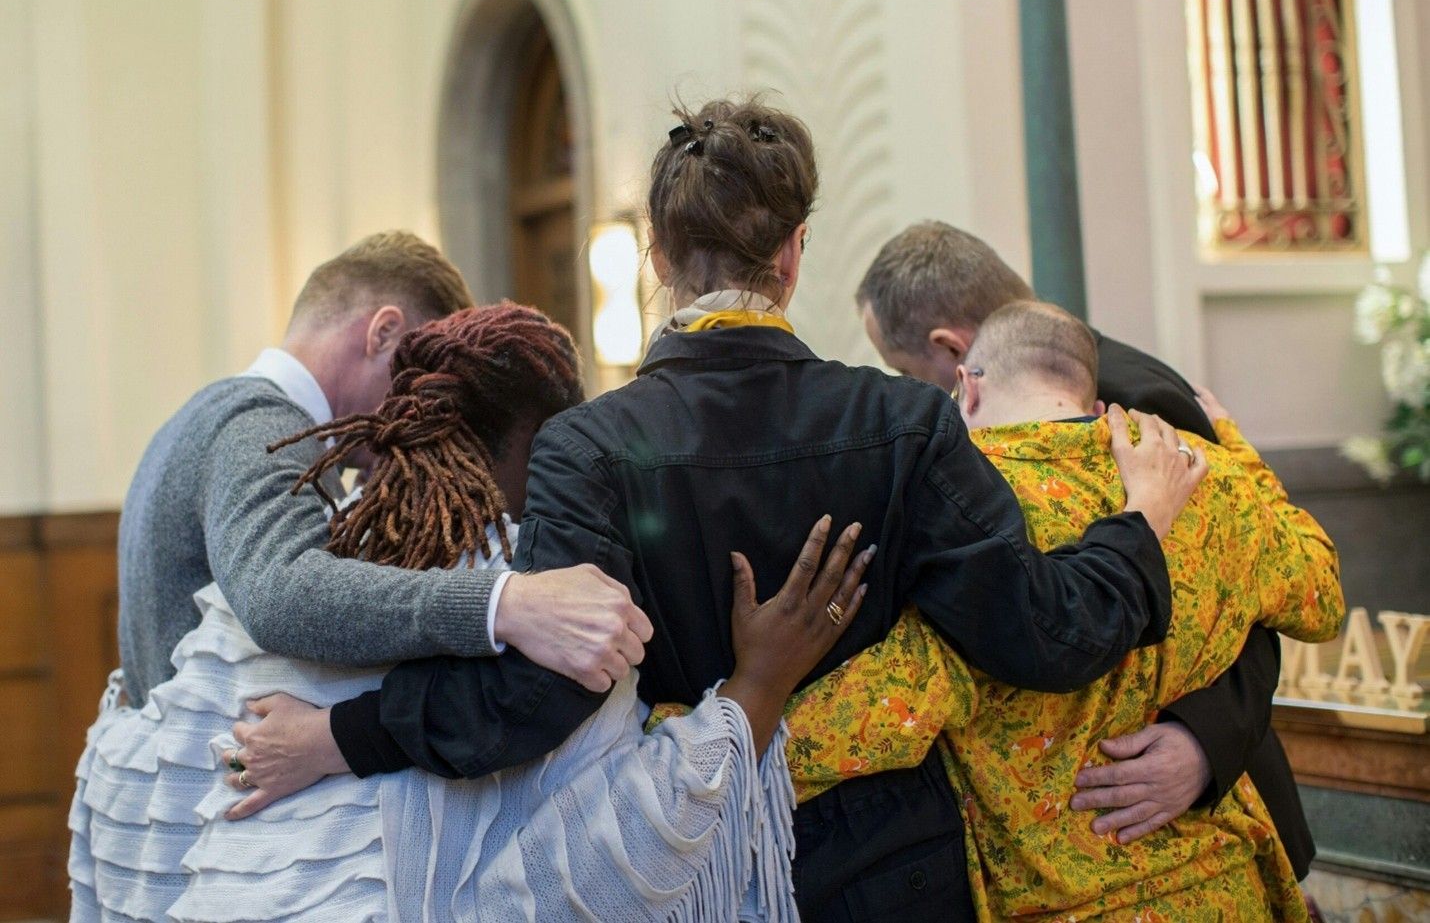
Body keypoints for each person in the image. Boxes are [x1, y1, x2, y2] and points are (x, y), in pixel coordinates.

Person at [230, 97, 1205, 921]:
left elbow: (540, 695)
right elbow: (1039, 634)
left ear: (657, 255)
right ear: (791, 254)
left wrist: (340, 735)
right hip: (896, 857)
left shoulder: (589, 444)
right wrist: (1140, 521)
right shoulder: (903, 421)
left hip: (702, 860)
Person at [71, 302, 868, 922]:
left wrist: (331, 740)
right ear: (546, 446)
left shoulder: (270, 593)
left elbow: (139, 789)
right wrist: (756, 689)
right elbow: (609, 856)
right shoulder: (546, 601)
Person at [779, 301, 1344, 920]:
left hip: (1070, 905)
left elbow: (879, 712)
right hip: (1226, 888)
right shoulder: (1205, 480)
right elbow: (1323, 597)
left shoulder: (969, 519)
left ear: (965, 389)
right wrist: (1235, 447)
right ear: (1094, 403)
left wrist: (692, 740)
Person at [855, 220, 1317, 873]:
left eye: (908, 372)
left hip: (1200, 814)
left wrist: (1201, 743)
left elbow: (1246, 589)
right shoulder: (1056, 394)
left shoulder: (1129, 400)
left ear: (954, 351)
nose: (924, 397)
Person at [117, 229, 648, 707]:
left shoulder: (214, 412)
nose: (421, 407)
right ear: (383, 333)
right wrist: (503, 603)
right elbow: (280, 595)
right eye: (415, 373)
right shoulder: (259, 426)